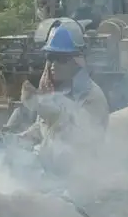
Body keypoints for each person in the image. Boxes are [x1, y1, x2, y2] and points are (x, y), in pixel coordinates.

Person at [18, 26, 109, 178]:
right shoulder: (57, 91)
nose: (54, 65)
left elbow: (77, 135)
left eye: (61, 59)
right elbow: (44, 128)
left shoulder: (92, 97)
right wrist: (20, 138)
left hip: (81, 180)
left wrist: (40, 105)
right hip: (51, 175)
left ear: (76, 62)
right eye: (51, 58)